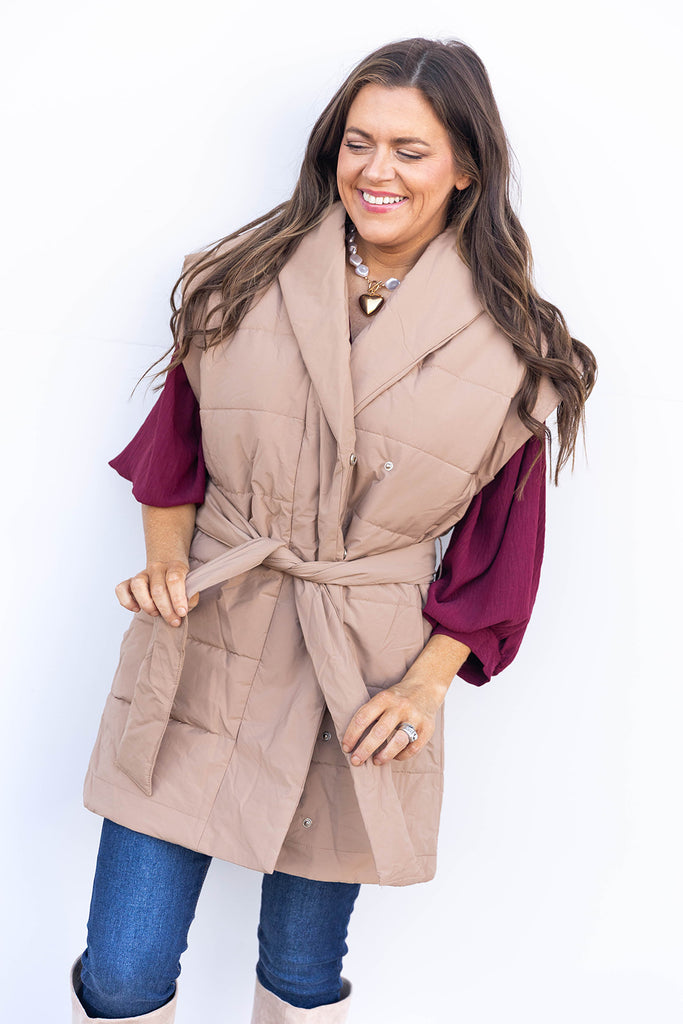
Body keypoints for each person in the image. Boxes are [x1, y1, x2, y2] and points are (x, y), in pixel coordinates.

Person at [71, 36, 597, 1023]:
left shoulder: (518, 350)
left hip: (359, 675)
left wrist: (423, 686)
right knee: (123, 972)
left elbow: (497, 555)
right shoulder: (240, 278)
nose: (375, 171)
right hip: (207, 639)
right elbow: (172, 455)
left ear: (465, 167)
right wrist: (165, 564)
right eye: (358, 143)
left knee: (301, 972)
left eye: (410, 149)